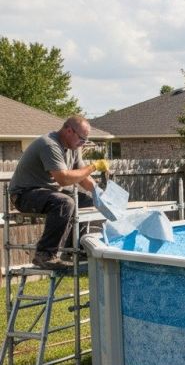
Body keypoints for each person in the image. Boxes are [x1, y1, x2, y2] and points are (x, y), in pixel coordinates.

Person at [8, 115, 109, 270]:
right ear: (69, 131)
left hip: (47, 192)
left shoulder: (73, 148)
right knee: (64, 202)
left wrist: (99, 194)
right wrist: (93, 166)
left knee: (88, 201)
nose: (83, 143)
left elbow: (82, 177)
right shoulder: (49, 144)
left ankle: (74, 249)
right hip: (24, 194)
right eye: (82, 139)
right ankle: (44, 254)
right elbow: (63, 179)